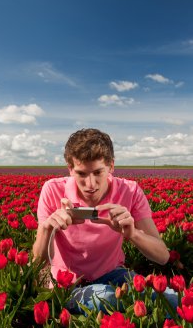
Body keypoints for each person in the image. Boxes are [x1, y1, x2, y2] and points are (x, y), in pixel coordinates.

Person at [32, 128, 177, 314]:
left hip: (112, 274)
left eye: (98, 172)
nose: (90, 184)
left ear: (111, 166)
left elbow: (162, 256)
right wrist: (47, 228)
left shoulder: (129, 191)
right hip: (66, 280)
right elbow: (37, 264)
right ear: (70, 169)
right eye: (81, 174)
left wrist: (132, 234)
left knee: (171, 299)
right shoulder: (52, 190)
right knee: (108, 299)